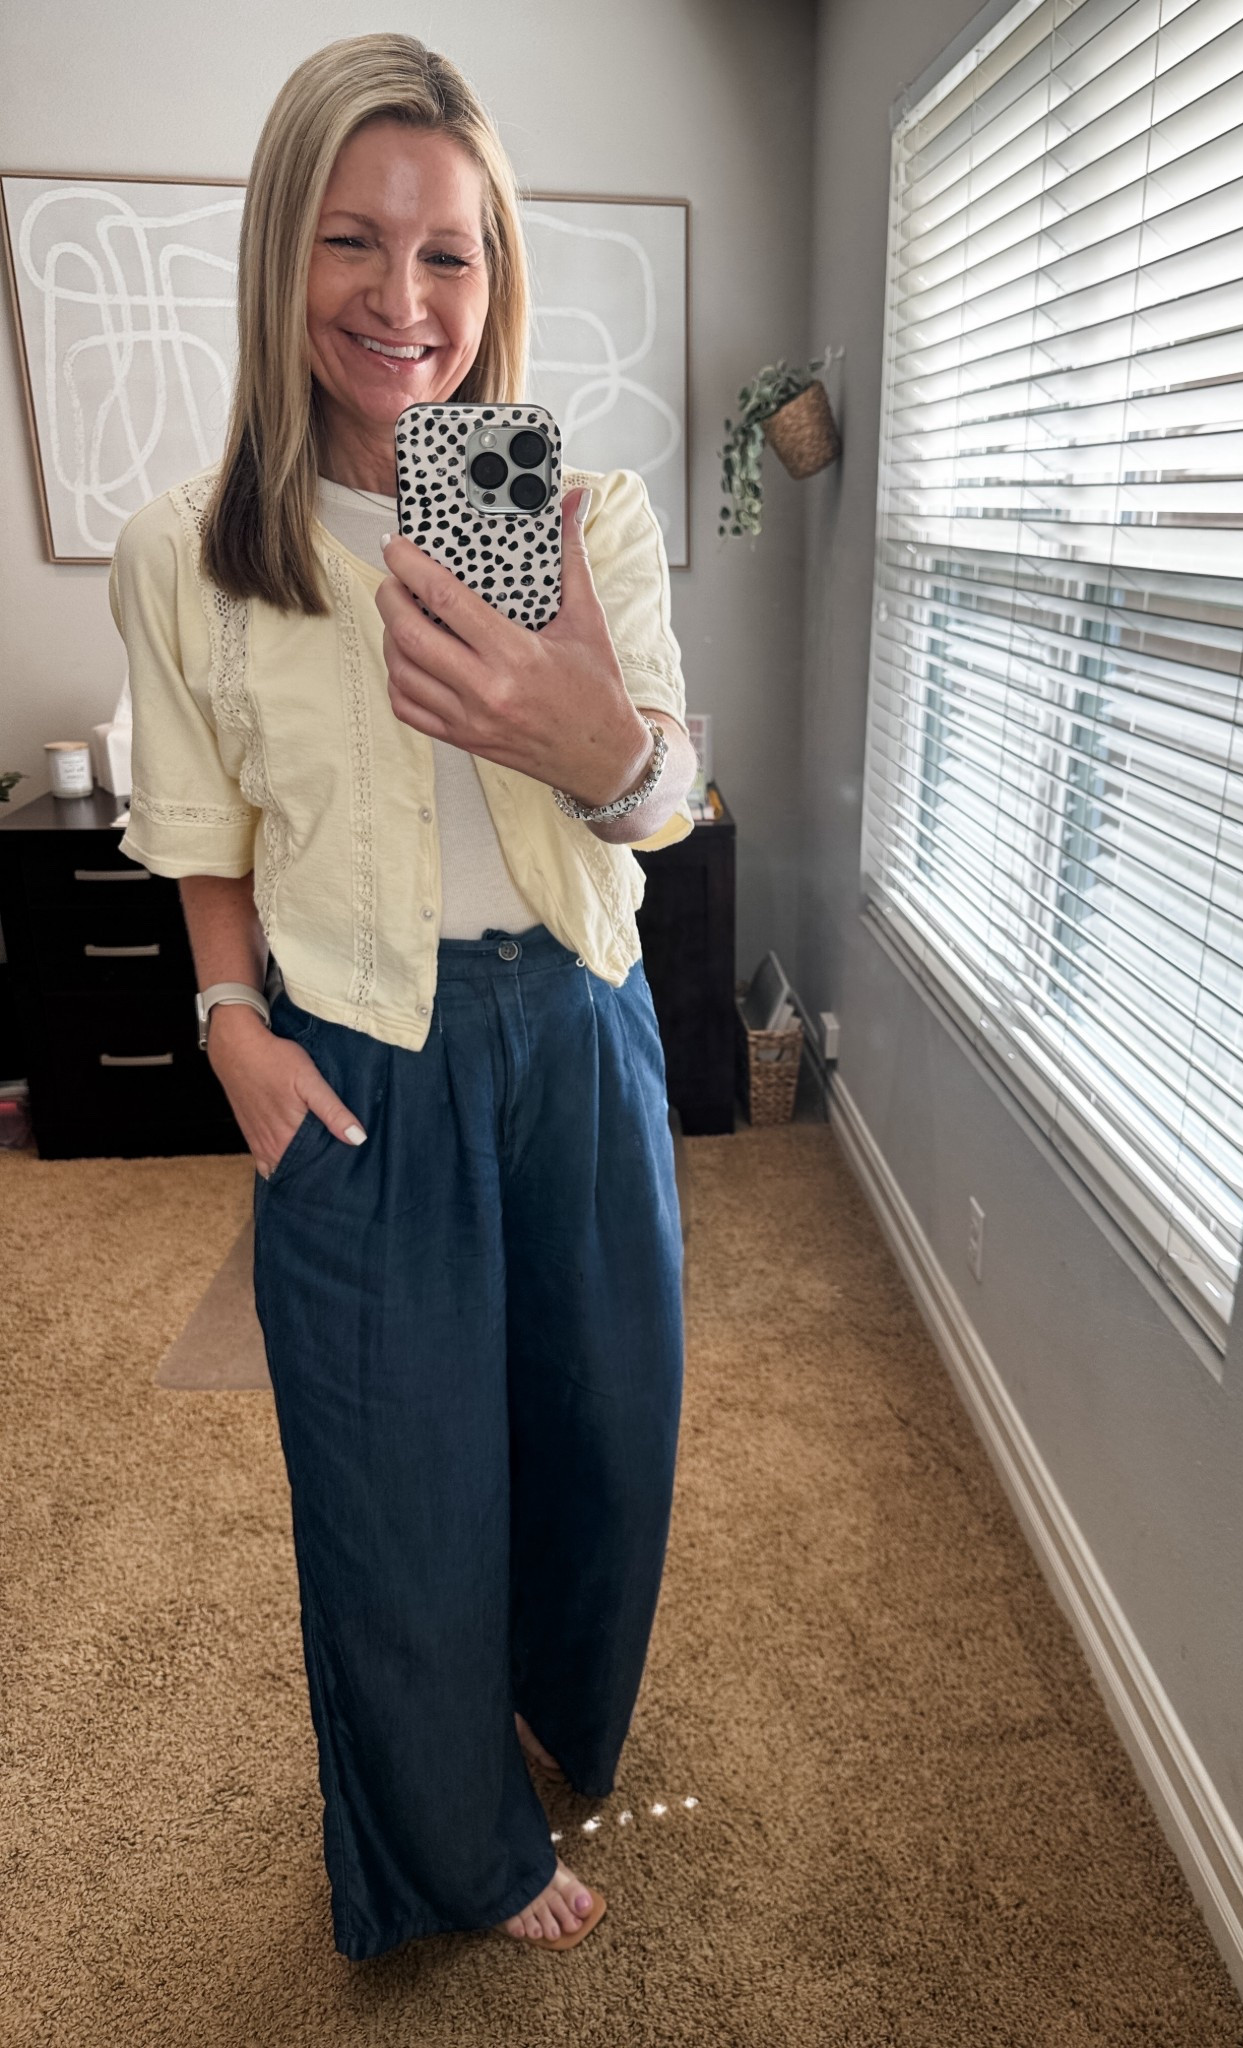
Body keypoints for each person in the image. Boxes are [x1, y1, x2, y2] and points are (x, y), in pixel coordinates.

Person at [108, 32, 695, 1961]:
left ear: (495, 274)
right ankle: (458, 1850)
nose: (404, 299)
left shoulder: (579, 517)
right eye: (354, 243)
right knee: (397, 1492)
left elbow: (666, 803)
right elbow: (197, 822)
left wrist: (585, 728)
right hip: (355, 1053)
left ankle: (553, 1716)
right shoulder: (193, 557)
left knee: (605, 1439)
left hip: (578, 1032)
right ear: (286, 257)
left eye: (449, 254)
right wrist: (230, 1030)